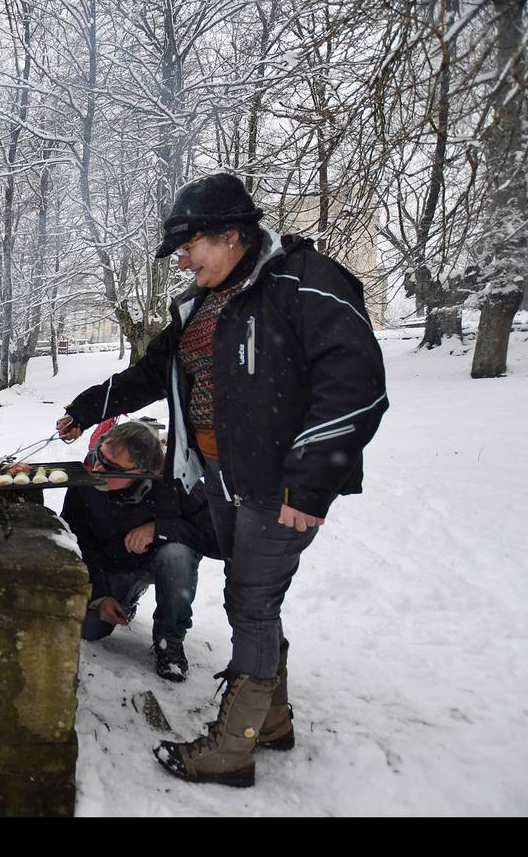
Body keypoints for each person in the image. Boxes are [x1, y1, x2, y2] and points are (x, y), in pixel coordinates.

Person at [55, 172, 388, 788]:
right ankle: (274, 719)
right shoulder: (200, 307)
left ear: (232, 235)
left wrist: (312, 482)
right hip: (221, 480)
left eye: (190, 247)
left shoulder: (302, 283)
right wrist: (87, 407)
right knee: (254, 598)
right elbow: (149, 374)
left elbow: (357, 384)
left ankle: (232, 749)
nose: (183, 261)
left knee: (250, 604)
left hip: (279, 485)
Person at [60, 420, 218, 682]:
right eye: (100, 455)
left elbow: (218, 538)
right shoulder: (85, 482)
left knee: (178, 553)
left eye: (111, 467)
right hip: (108, 567)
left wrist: (160, 529)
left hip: (153, 564)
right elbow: (79, 545)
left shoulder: (174, 481)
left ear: (144, 470)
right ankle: (124, 599)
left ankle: (170, 639)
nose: (98, 468)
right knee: (90, 629)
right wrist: (100, 596)